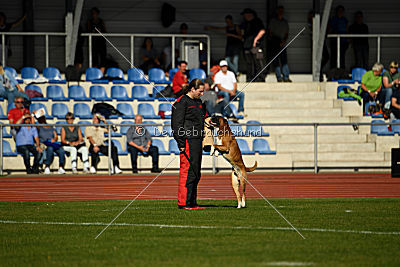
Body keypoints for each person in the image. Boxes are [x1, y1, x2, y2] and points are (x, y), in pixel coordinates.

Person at [172, 79, 207, 209]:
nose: (202, 94)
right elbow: (176, 125)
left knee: (196, 172)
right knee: (188, 171)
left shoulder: (198, 102)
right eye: (200, 91)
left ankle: (192, 202)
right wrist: (181, 142)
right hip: (187, 140)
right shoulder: (181, 102)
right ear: (192, 89)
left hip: (197, 140)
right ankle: (184, 202)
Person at [240, 8, 266, 82]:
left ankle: (261, 78)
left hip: (256, 46)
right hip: (246, 46)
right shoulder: (244, 23)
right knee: (249, 63)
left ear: (250, 15)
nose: (244, 16)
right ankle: (250, 78)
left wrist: (255, 40)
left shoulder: (257, 21)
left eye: (245, 14)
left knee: (258, 61)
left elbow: (262, 31)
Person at [269, 6, 291, 82]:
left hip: (282, 43)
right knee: (276, 61)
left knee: (284, 61)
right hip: (275, 43)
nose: (281, 12)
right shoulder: (273, 21)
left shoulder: (285, 22)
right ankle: (279, 77)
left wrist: (284, 41)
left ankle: (286, 77)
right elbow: (270, 32)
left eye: (282, 11)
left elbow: (287, 33)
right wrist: (274, 41)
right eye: (279, 11)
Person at [328, 5, 349, 69]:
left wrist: (348, 39)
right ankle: (333, 71)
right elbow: (330, 29)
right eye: (339, 11)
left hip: (343, 41)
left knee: (342, 57)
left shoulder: (344, 20)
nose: (340, 12)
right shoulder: (334, 19)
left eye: (341, 11)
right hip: (335, 41)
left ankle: (342, 70)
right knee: (334, 56)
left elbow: (347, 29)